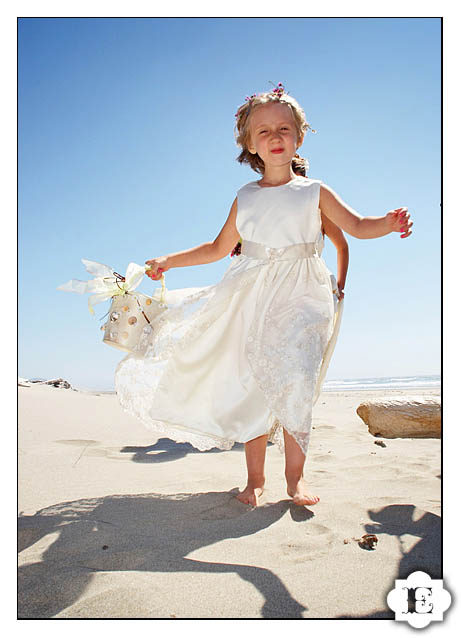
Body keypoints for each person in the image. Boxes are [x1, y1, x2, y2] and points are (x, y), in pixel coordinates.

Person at [115, 83, 412, 508]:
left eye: (284, 129)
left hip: (304, 295)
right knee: (255, 385)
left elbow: (358, 227)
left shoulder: (315, 191)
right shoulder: (245, 197)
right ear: (249, 143)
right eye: (264, 131)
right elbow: (217, 249)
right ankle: (254, 480)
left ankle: (295, 479)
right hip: (252, 294)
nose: (275, 137)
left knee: (296, 382)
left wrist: (388, 222)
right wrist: (169, 259)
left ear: (299, 136)